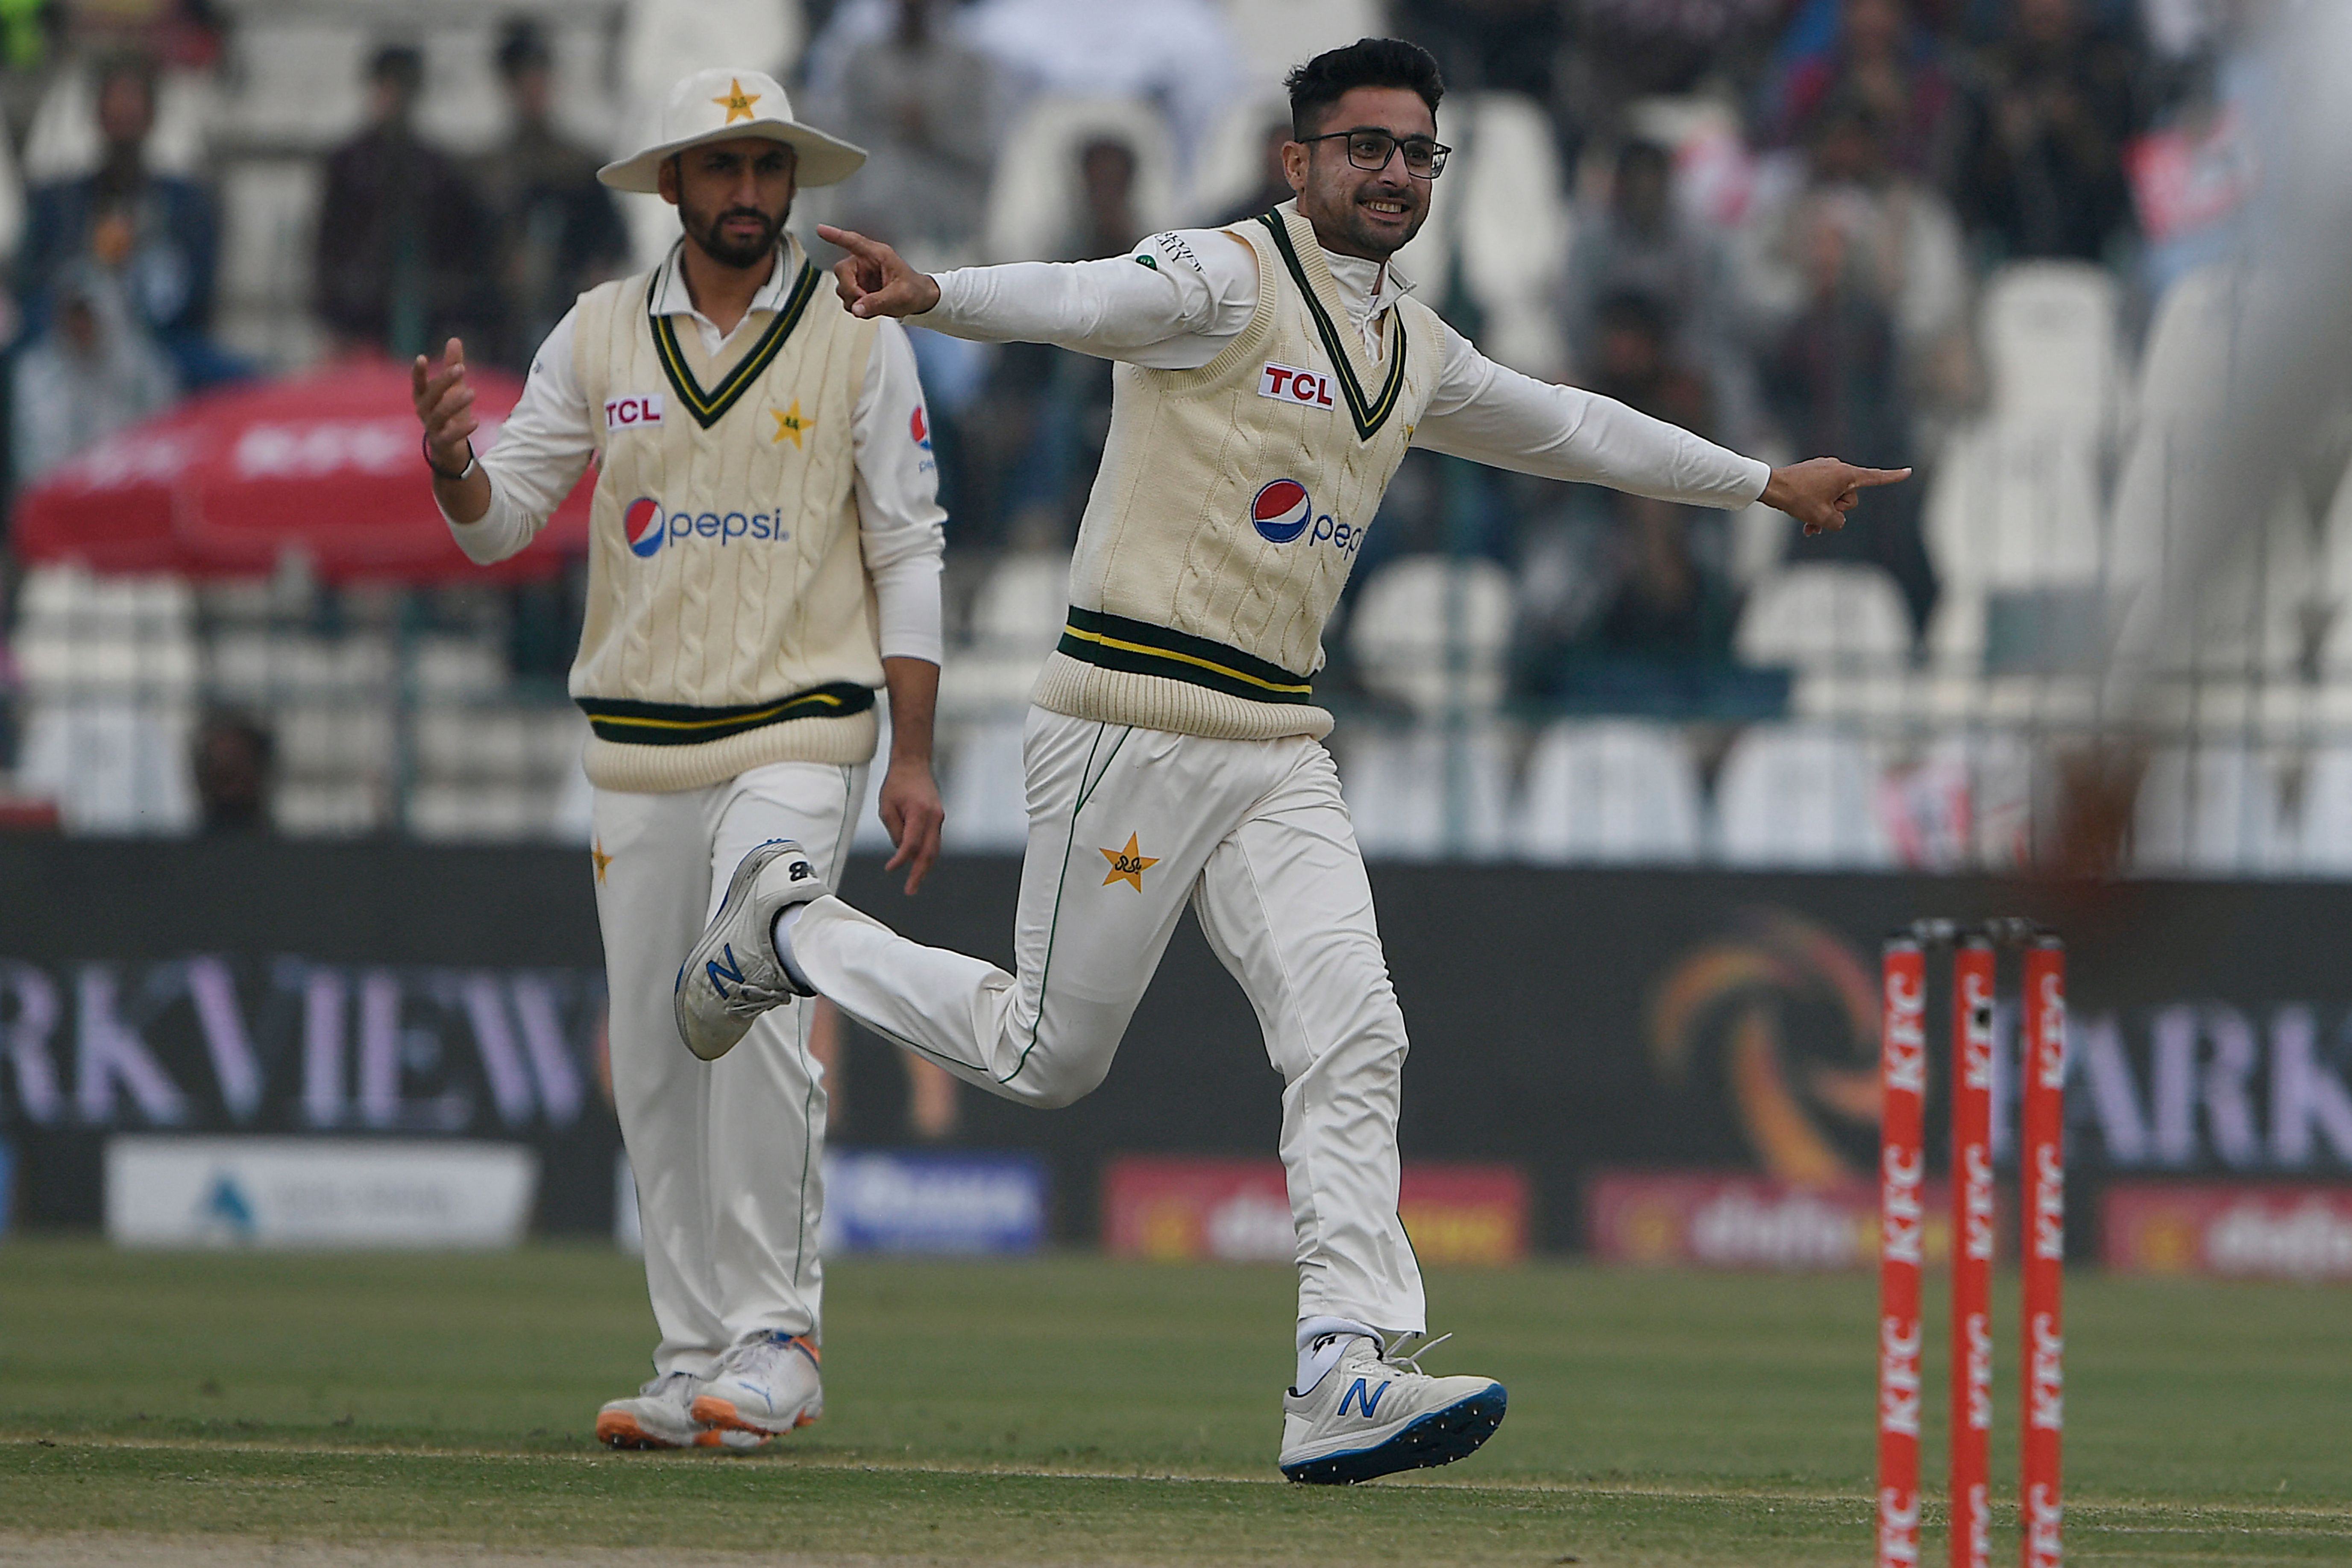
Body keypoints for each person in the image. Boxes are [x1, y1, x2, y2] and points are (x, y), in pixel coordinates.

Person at [670, 38, 1903, 1482]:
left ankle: (1342, 1364)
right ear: (1296, 162)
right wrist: (941, 294)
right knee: (1043, 1055)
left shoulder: (1409, 345)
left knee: (1353, 1029)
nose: (1390, 175)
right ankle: (791, 929)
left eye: (1413, 154)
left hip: (1275, 735)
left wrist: (1759, 480)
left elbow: (1568, 427)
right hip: (1130, 714)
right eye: (1363, 149)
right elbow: (1088, 302)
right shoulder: (1222, 278)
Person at [410, 67, 947, 1451]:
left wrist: (915, 753)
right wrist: (454, 466)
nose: (752, 197)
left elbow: (908, 542)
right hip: (638, 751)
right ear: (672, 187)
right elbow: (498, 521)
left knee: (758, 987)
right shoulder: (594, 336)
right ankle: (693, 1353)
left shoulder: (856, 334)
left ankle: (778, 1335)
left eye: (770, 172)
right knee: (655, 1059)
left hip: (798, 733)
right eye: (724, 173)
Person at [15, 50, 238, 389]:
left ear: (152, 116)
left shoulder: (186, 203)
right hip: (68, 340)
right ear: (98, 114)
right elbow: (30, 281)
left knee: (235, 377)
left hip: (159, 339)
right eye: (115, 103)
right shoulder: (58, 201)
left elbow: (198, 295)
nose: (123, 114)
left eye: (133, 103)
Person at [472, 18, 631, 373]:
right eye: (523, 80)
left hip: (568, 321)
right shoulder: (488, 170)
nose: (534, 90)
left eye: (539, 77)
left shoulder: (578, 165)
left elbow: (612, 243)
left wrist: (592, 278)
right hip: (500, 331)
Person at [317, 44, 493, 358]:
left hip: (426, 321)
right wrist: (336, 318)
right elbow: (328, 246)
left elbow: (459, 247)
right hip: (360, 322)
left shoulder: (437, 170)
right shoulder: (349, 164)